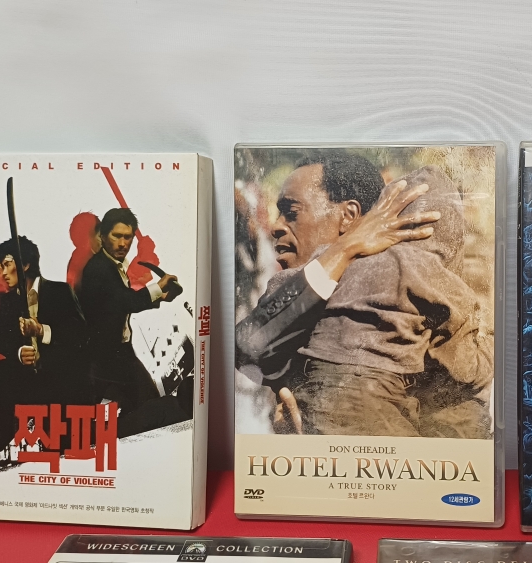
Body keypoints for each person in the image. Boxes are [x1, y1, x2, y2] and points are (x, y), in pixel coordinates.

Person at [236, 152, 493, 437]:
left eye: (292, 212)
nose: (275, 227)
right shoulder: (310, 291)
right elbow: (247, 343)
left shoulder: (414, 309)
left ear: (349, 216)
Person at [0, 236, 91, 473]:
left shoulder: (59, 291)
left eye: (7, 264)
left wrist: (41, 331)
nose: (2, 273)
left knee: (64, 457)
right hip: (25, 386)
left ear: (25, 264)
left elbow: (80, 334)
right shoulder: (8, 303)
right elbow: (2, 340)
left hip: (61, 387)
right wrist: (19, 352)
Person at [79, 208, 187, 436]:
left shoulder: (114, 265)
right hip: (107, 357)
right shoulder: (98, 268)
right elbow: (123, 300)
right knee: (149, 407)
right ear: (102, 237)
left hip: (119, 352)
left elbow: (121, 302)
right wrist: (158, 288)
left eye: (127, 237)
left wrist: (160, 297)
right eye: (116, 236)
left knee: (147, 405)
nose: (122, 243)